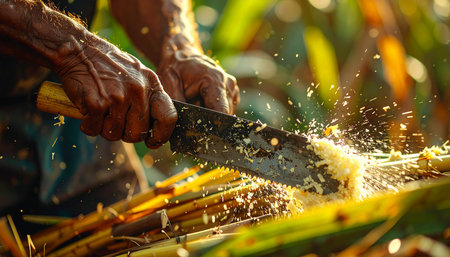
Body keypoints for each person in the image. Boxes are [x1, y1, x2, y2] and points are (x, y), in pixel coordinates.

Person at [0, 0, 239, 216]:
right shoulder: (75, 54)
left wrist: (178, 45)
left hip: (85, 111)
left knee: (133, 233)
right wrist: (73, 49)